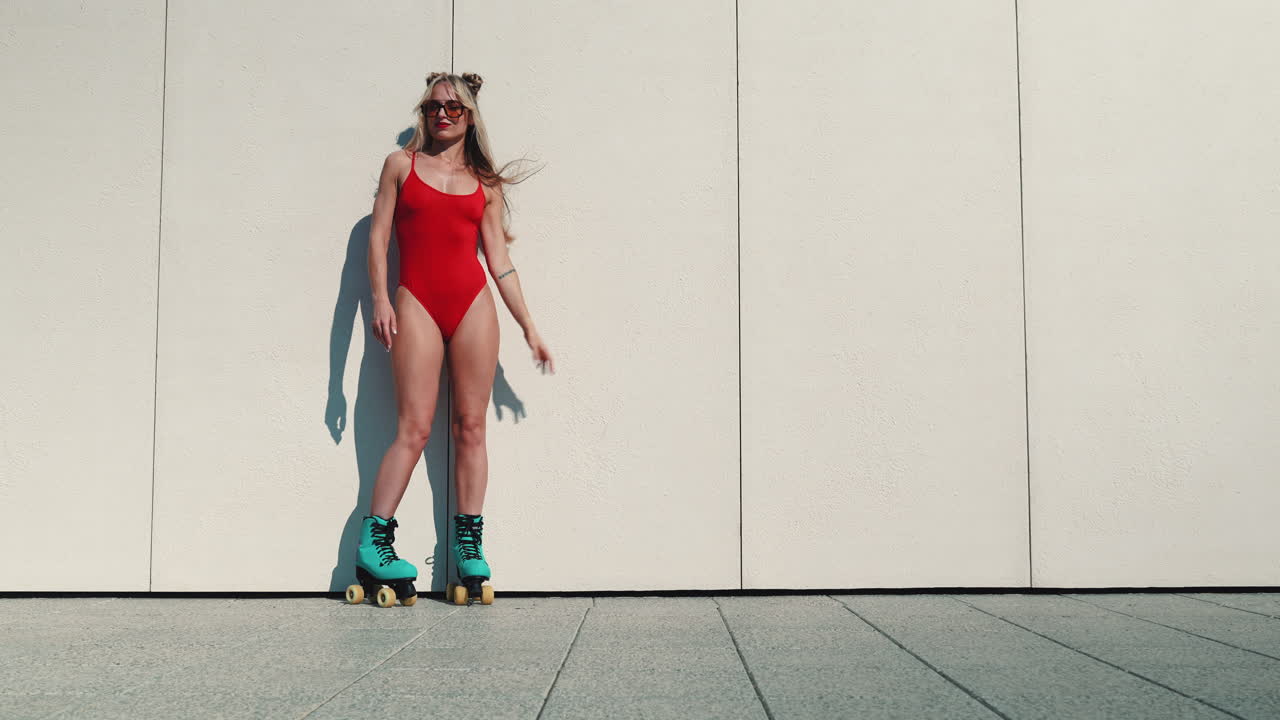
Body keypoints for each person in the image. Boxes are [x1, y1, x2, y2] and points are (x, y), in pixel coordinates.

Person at [351, 71, 553, 607]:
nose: (442, 114)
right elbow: (378, 240)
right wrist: (379, 298)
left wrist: (528, 326)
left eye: (454, 108)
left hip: (473, 304)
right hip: (415, 299)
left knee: (470, 427)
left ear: (470, 115)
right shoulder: (401, 166)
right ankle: (373, 544)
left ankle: (468, 547)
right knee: (413, 429)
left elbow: (501, 263)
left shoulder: (485, 184)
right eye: (434, 106)